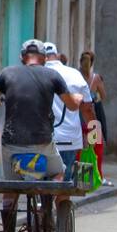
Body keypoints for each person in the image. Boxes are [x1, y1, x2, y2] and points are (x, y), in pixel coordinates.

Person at [0, 39, 83, 232]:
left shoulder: (6, 74)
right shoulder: (53, 75)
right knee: (59, 172)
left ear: (22, 57)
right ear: (45, 58)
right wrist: (79, 97)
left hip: (11, 144)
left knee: (12, 189)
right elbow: (72, 105)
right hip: (42, 143)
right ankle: (46, 207)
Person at [42, 43, 96, 183]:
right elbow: (87, 109)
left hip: (39, 139)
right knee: (63, 183)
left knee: (40, 181)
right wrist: (94, 138)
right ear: (58, 55)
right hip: (68, 140)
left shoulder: (34, 74)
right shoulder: (74, 74)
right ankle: (61, 203)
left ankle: (42, 202)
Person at [79, 50, 109, 181]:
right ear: (92, 63)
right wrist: (94, 99)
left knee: (81, 150)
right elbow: (103, 96)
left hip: (78, 118)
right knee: (95, 149)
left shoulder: (75, 75)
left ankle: (81, 176)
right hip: (91, 119)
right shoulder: (96, 78)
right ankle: (95, 176)